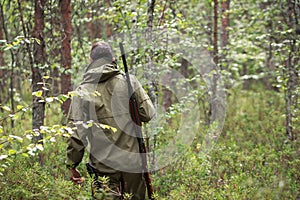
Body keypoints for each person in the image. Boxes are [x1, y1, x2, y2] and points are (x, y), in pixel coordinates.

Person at [65, 41, 155, 199]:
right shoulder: (130, 82)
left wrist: (72, 165)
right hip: (132, 162)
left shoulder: (82, 92)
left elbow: (76, 135)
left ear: (91, 61)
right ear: (113, 58)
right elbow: (148, 114)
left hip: (103, 166)